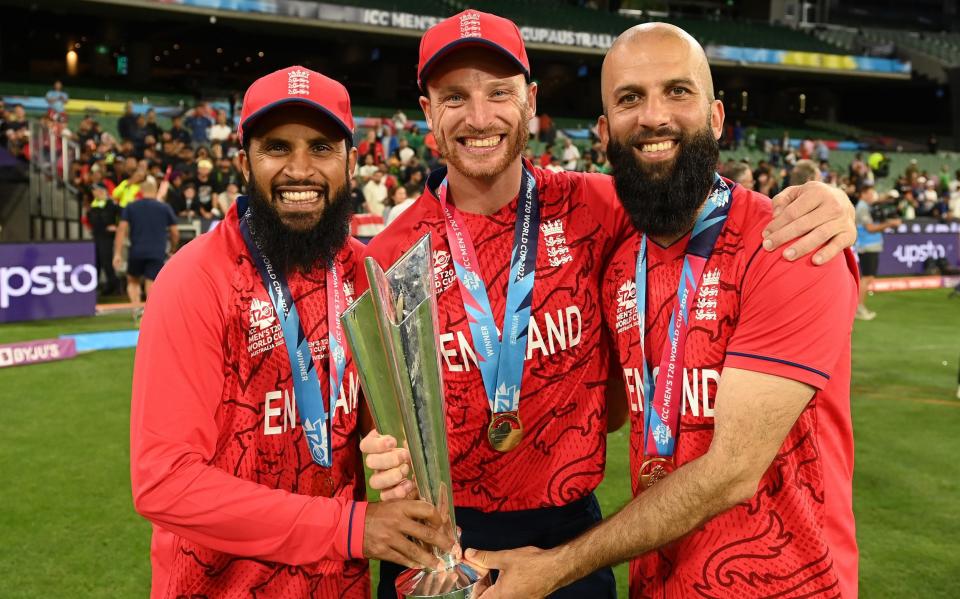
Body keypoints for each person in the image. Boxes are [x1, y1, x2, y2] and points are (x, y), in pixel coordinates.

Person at [359, 11, 857, 599]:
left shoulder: (601, 210)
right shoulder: (389, 255)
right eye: (454, 97)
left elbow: (689, 195)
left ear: (531, 101)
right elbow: (373, 416)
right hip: (438, 536)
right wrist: (383, 453)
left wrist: (828, 202)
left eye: (500, 92)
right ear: (425, 112)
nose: (479, 116)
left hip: (572, 529)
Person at [129, 66, 452, 599]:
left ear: (351, 161)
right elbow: (164, 481)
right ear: (243, 163)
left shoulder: (365, 275)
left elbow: (386, 430)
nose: (299, 170)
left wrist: (399, 469)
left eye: (321, 148)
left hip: (339, 585)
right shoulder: (194, 279)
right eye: (276, 148)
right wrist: (350, 527)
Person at [112, 176, 179, 319]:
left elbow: (121, 229)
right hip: (157, 252)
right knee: (152, 282)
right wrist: (173, 249)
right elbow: (175, 232)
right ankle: (150, 314)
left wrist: (117, 253)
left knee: (132, 280)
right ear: (155, 191)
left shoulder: (131, 206)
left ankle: (136, 309)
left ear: (141, 191)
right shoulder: (164, 207)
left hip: (136, 251)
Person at [855, 182, 901, 320]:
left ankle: (859, 307)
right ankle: (858, 307)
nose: (872, 196)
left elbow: (877, 202)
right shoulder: (862, 208)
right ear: (863, 194)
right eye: (870, 193)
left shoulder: (865, 206)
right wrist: (890, 224)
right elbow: (870, 228)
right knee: (866, 278)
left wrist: (886, 198)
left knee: (869, 277)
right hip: (866, 245)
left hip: (870, 245)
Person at [86, 183, 121, 295]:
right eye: (93, 191)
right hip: (97, 237)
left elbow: (123, 215)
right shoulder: (93, 206)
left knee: (107, 262)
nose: (94, 192)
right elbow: (93, 222)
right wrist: (105, 227)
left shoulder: (111, 204)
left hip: (107, 238)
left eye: (96, 190)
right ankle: (94, 288)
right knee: (97, 263)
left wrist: (117, 227)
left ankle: (113, 286)